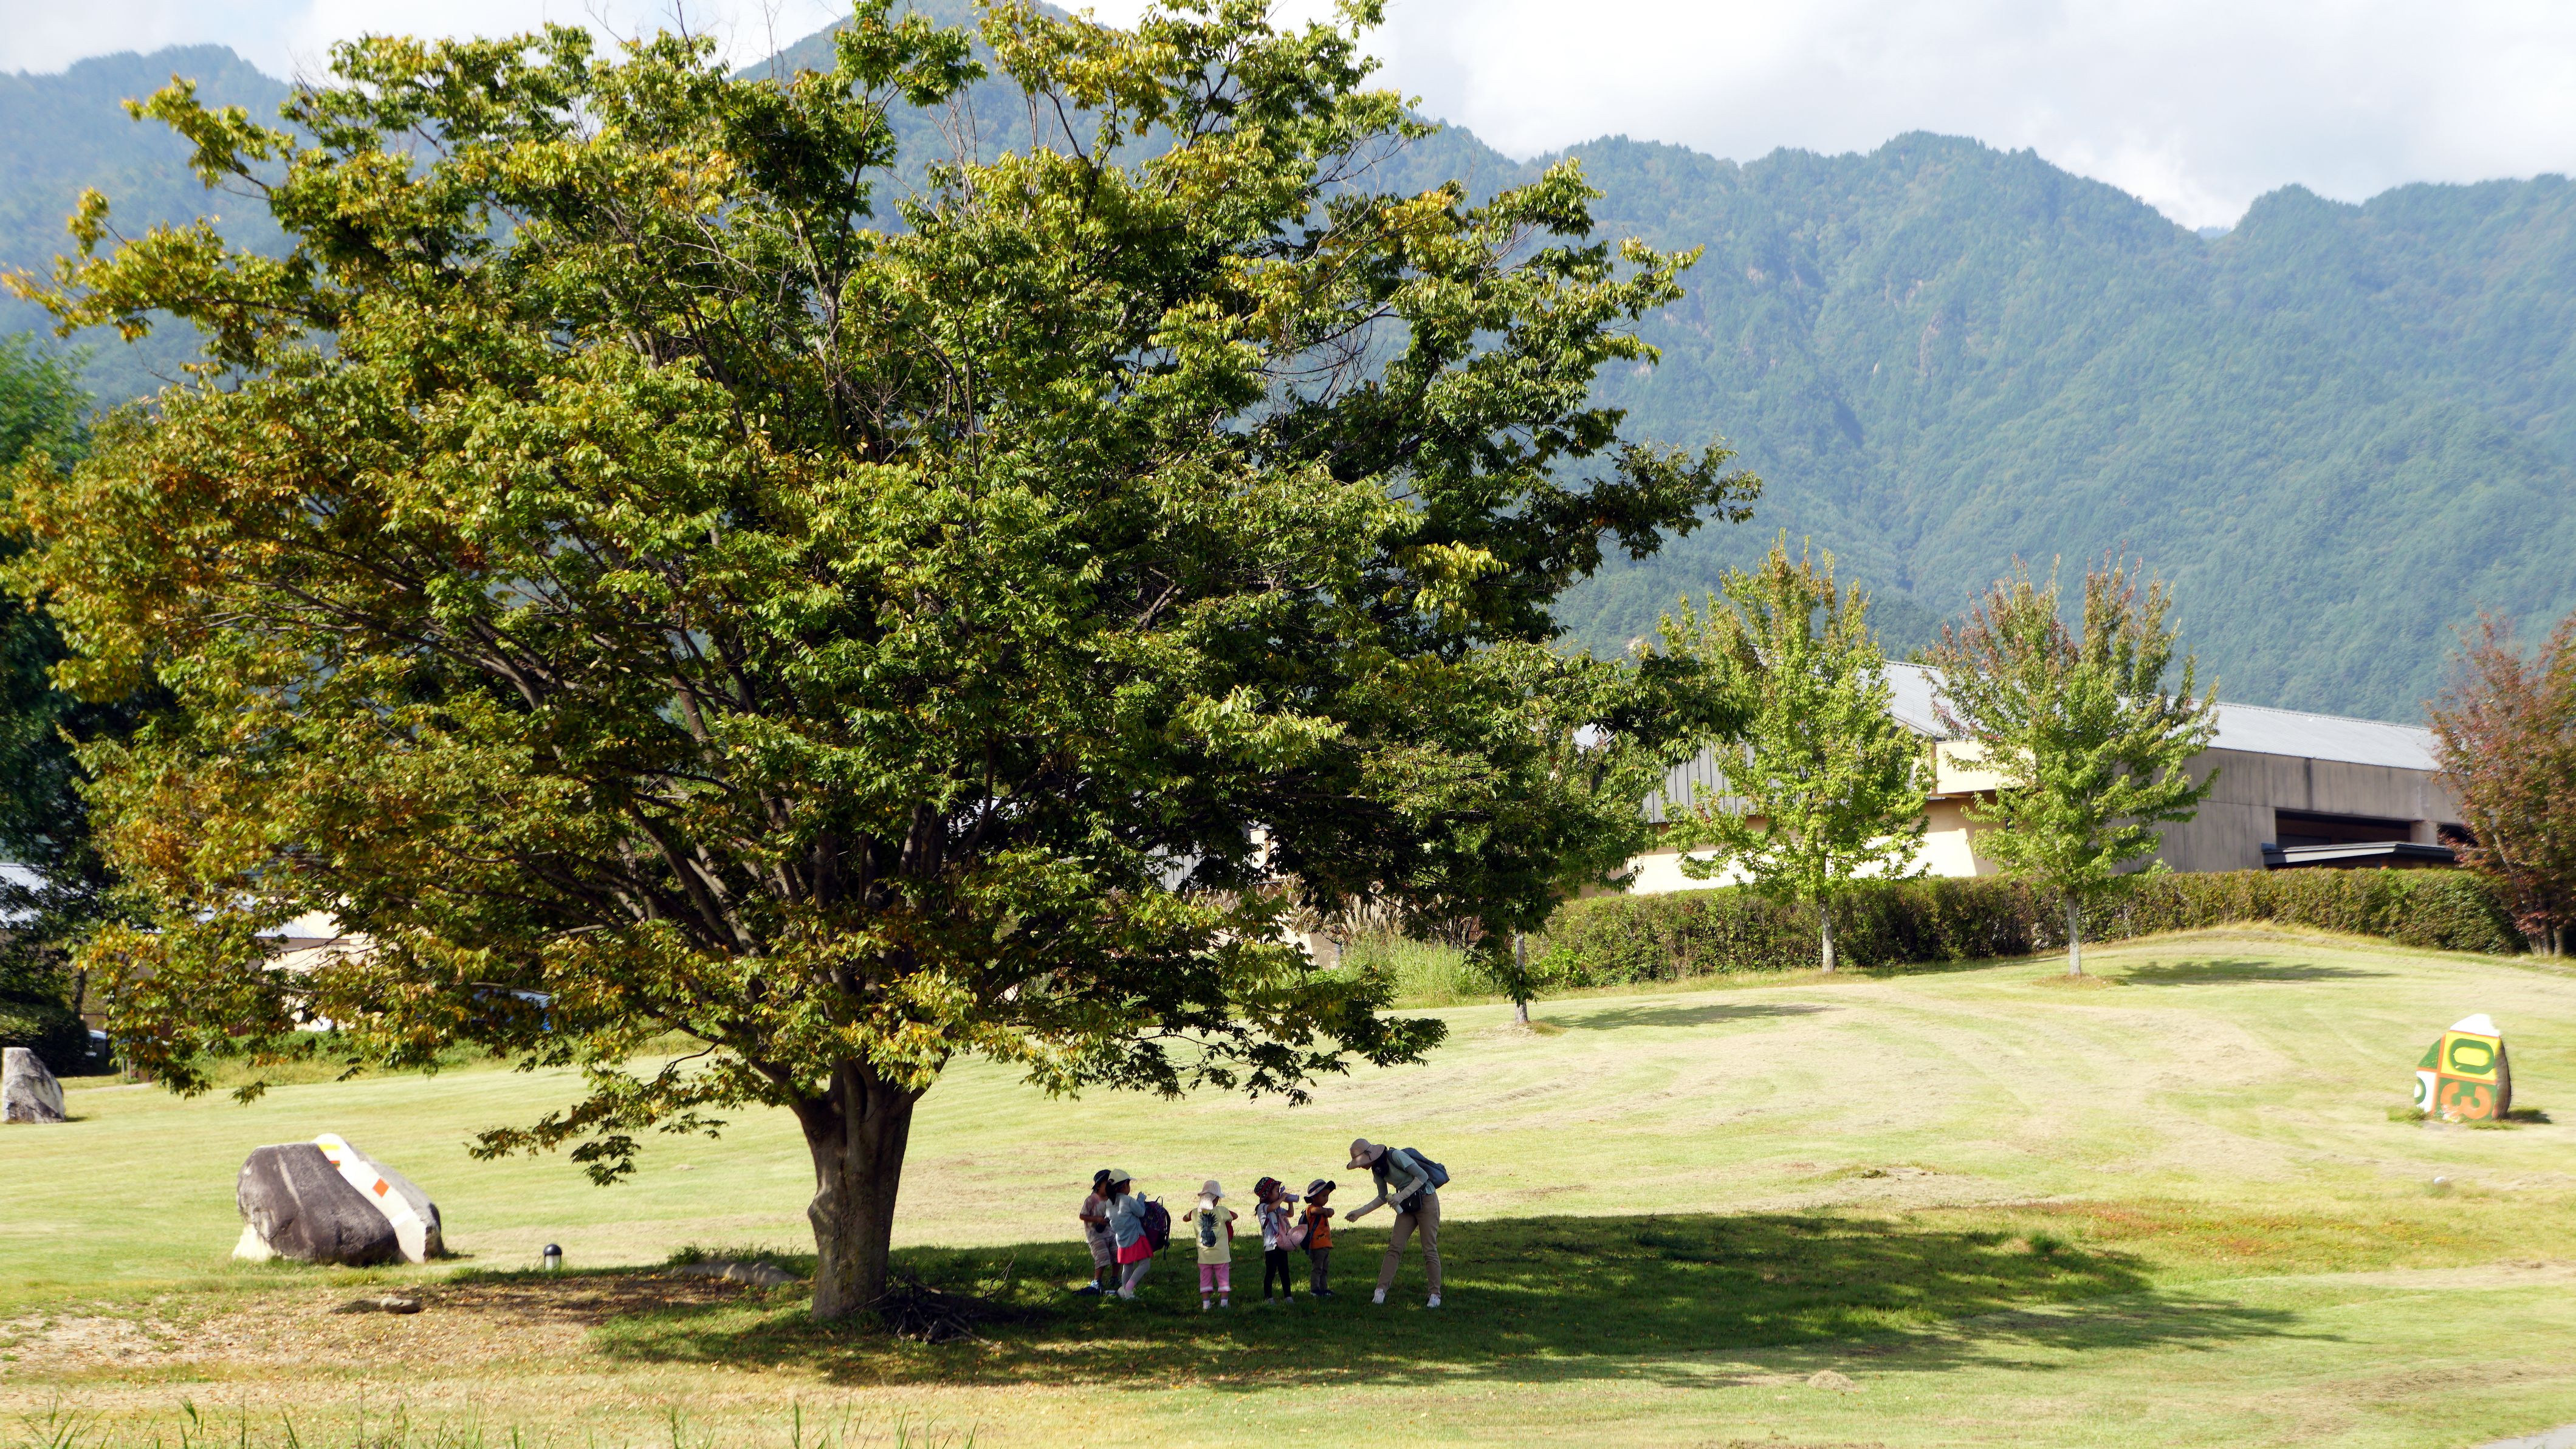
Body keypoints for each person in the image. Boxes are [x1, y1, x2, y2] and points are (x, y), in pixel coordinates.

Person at [1345, 1138, 1440, 1307]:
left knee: (1429, 1249)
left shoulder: (1395, 1156)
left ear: (1370, 1156)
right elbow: (1382, 1197)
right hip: (1406, 1205)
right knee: (1394, 1248)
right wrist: (1359, 1213)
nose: (1361, 1167)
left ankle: (1435, 1295)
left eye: (1361, 1163)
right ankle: (1380, 1291)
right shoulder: (1377, 1170)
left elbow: (1422, 1176)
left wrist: (1401, 1196)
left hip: (1426, 1200)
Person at [1102, 1170, 1155, 1300]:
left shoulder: (1109, 1203)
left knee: (1128, 1265)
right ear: (1124, 1186)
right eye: (1128, 1184)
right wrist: (1141, 1199)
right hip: (1136, 1237)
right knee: (1145, 1264)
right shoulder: (1128, 1200)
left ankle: (1125, 1292)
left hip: (1121, 1239)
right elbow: (1141, 1212)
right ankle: (1128, 1289)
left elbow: (1109, 1217)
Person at [1185, 1178, 1237, 1310]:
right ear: (1217, 1199)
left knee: (1205, 1279)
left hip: (1204, 1256)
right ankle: (1224, 1303)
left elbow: (1185, 1218)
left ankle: (1206, 1304)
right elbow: (1235, 1216)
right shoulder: (1221, 1211)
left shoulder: (1194, 1213)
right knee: (1223, 1278)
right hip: (1222, 1255)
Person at [1252, 1177, 1297, 1302]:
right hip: (1271, 1245)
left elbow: (1290, 1214)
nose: (1279, 1193)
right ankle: (1268, 1297)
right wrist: (1281, 1199)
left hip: (1282, 1243)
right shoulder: (1263, 1208)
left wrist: (1290, 1202)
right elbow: (1271, 1208)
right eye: (1277, 1191)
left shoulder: (1277, 1208)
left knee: (1284, 1270)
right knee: (1271, 1271)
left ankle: (1288, 1296)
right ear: (1268, 1193)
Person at [1074, 1168, 1117, 1294]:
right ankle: (1097, 1281)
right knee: (1103, 1256)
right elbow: (1082, 1216)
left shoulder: (1112, 1199)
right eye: (1107, 1184)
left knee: (1117, 1254)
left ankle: (1114, 1278)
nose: (1110, 1187)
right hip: (1096, 1235)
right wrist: (1097, 1219)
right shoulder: (1091, 1200)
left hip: (1111, 1232)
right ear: (1098, 1186)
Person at [1299, 1178, 1337, 1298]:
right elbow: (1315, 1211)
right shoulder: (1311, 1209)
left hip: (1325, 1245)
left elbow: (1332, 1212)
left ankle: (1323, 1288)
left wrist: (1328, 1211)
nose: (1326, 1199)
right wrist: (1325, 1211)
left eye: (1327, 1196)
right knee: (1318, 1268)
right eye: (1324, 1196)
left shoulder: (1323, 1210)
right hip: (1316, 1245)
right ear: (1314, 1197)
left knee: (1325, 1269)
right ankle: (1315, 1289)